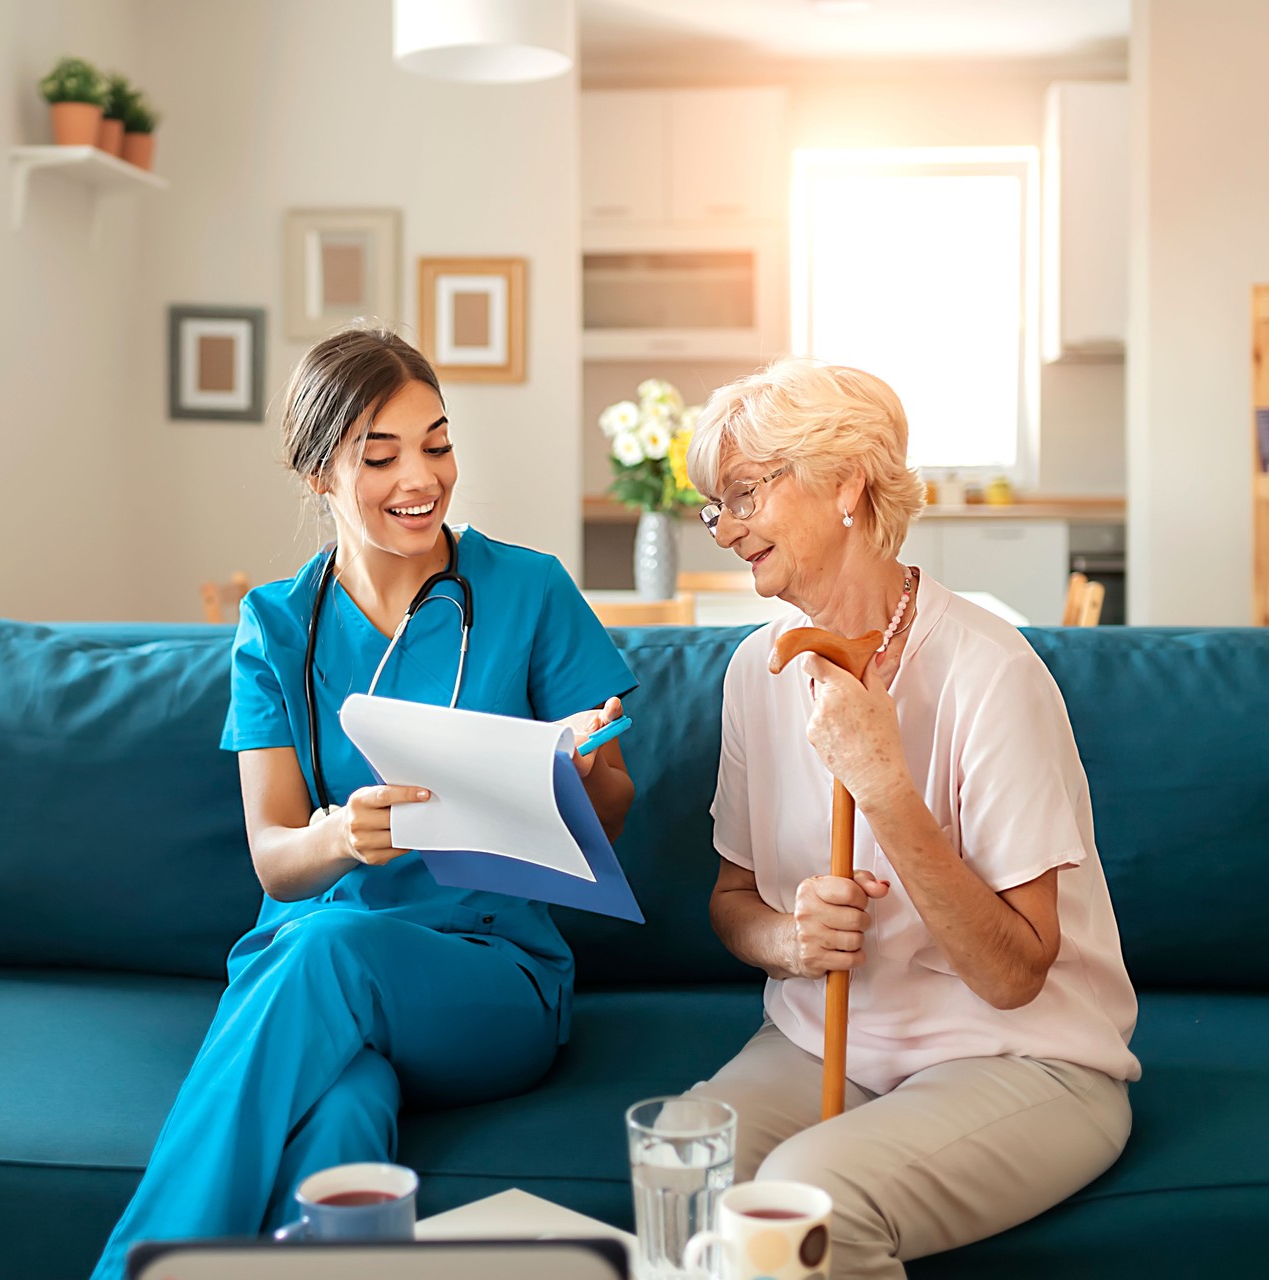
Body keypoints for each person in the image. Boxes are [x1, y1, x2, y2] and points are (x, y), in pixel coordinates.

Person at [90, 325, 637, 1278]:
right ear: (318, 474)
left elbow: (615, 809)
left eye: (437, 442)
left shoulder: (530, 590)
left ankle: (135, 1268)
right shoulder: (274, 626)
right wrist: (342, 836)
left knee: (325, 950)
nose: (421, 477)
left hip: (490, 979)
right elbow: (275, 858)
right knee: (339, 1116)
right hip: (315, 973)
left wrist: (586, 782)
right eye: (379, 456)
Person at [679, 358, 1139, 1279]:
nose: (726, 529)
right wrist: (788, 940)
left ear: (845, 481)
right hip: (824, 1039)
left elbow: (1014, 977)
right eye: (715, 505)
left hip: (1022, 1056)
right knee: (685, 1162)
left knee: (805, 1210)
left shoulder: (988, 673)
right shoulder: (751, 673)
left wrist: (882, 784)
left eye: (744, 495)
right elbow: (732, 899)